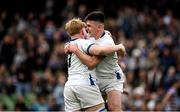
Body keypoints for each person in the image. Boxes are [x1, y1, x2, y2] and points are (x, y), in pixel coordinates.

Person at [66, 11, 126, 111]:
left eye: (89, 26)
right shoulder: (90, 36)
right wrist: (68, 45)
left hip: (111, 80)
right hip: (96, 80)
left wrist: (119, 46)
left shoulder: (107, 43)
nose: (86, 29)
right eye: (86, 26)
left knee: (114, 109)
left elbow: (91, 63)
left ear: (99, 27)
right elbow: (77, 39)